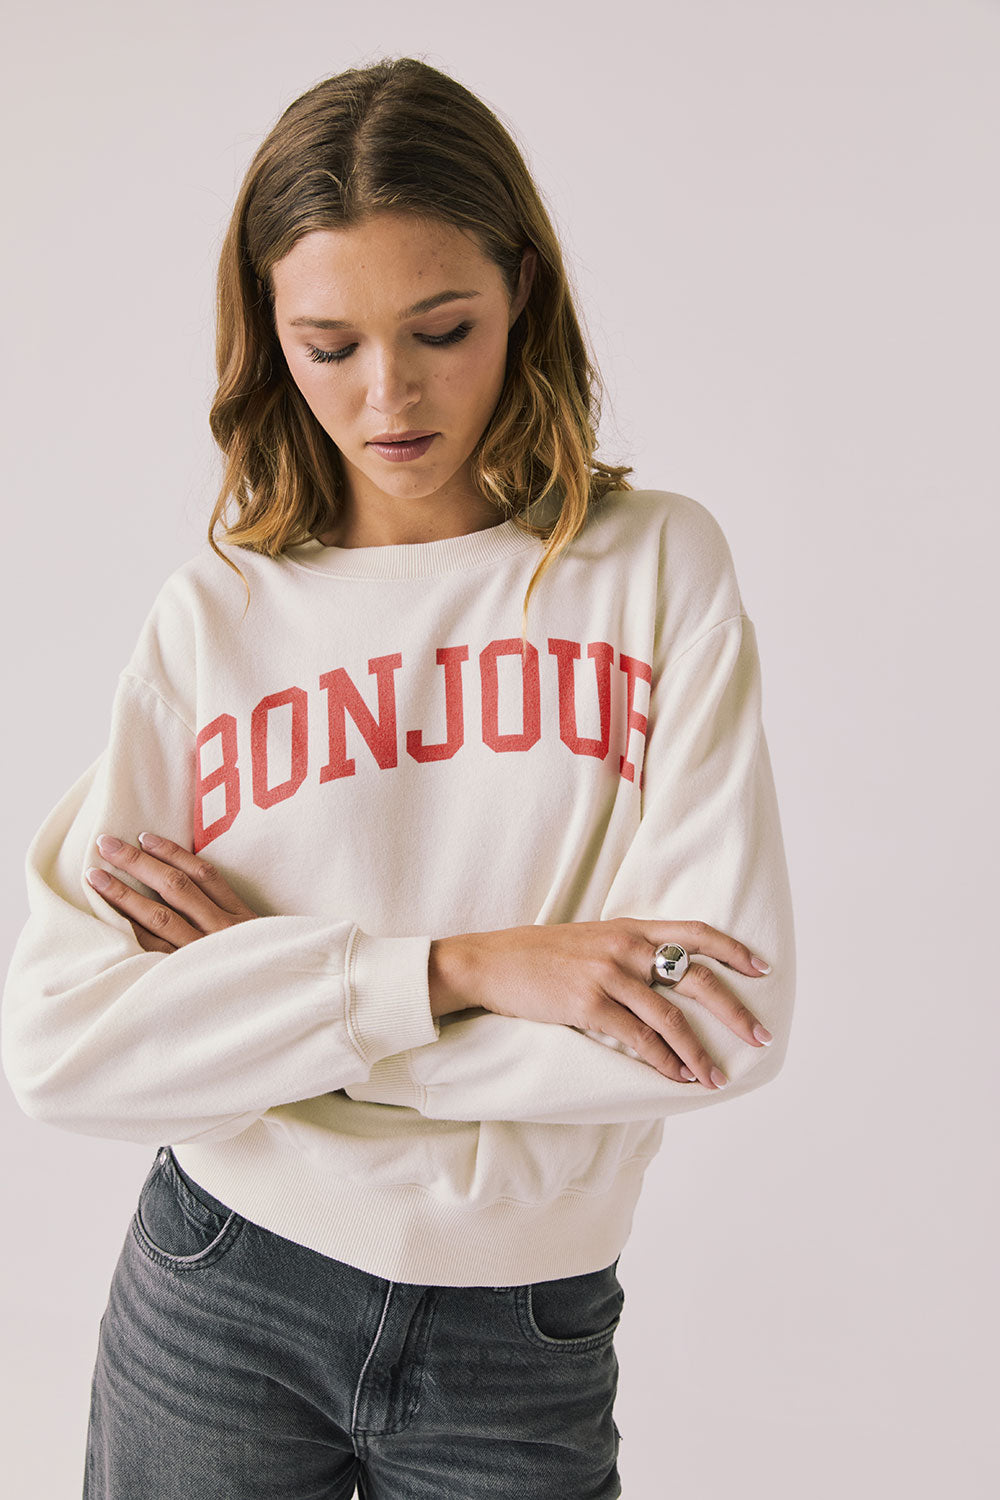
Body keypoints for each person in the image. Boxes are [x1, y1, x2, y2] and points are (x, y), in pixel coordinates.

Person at [0, 55, 796, 1500]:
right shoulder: (219, 616)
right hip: (223, 1286)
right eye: (328, 346)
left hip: (526, 1328)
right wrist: (473, 967)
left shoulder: (655, 568)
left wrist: (267, 1001)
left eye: (443, 329)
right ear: (269, 342)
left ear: (525, 301)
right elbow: (61, 1044)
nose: (390, 397)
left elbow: (723, 1021)